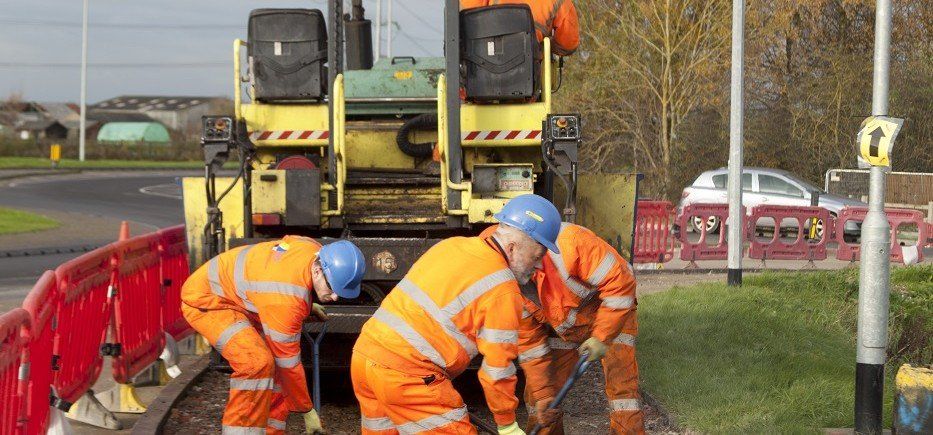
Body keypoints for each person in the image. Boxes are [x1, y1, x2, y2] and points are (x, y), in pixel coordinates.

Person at [351, 194, 563, 435]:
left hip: (365, 356)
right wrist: (507, 425)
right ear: (512, 248)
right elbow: (497, 370)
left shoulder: (453, 246)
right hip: (407, 373)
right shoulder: (503, 289)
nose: (538, 267)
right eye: (537, 257)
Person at [181, 236, 365, 434]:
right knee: (256, 363)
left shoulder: (314, 250)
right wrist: (307, 411)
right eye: (332, 288)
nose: (335, 297)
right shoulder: (284, 300)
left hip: (240, 298)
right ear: (318, 270)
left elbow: (284, 256)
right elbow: (288, 363)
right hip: (207, 301)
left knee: (274, 371)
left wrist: (305, 303)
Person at [480, 222, 642, 434]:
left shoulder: (572, 244)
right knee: (543, 397)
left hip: (612, 315)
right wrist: (543, 392)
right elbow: (531, 345)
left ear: (513, 247)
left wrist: (602, 337)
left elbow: (621, 283)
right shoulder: (507, 285)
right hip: (563, 327)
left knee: (623, 392)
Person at [460, 0, 580, 56]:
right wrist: (545, 45)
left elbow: (471, 17)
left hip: (482, 75)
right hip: (529, 77)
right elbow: (568, 44)